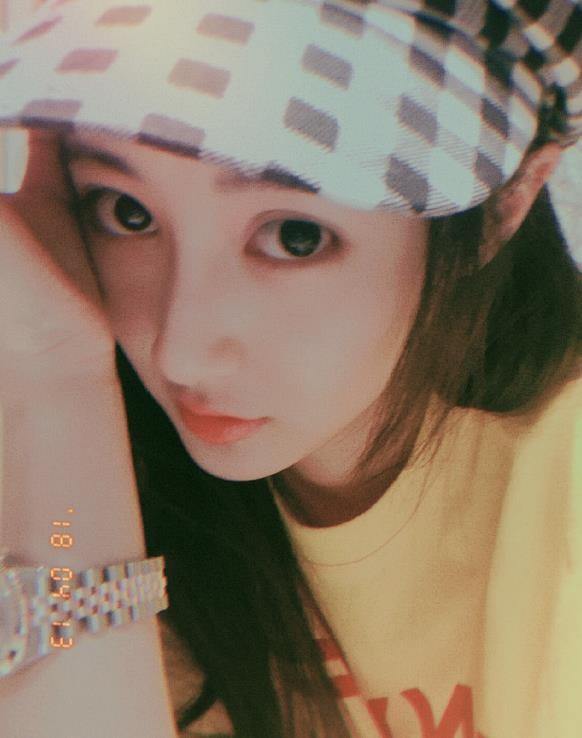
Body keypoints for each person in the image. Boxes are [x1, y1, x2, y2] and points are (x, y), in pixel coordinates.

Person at [0, 1, 580, 737]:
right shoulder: (96, 464)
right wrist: (58, 379)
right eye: (126, 212)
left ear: (504, 205)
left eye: (295, 235)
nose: (181, 349)